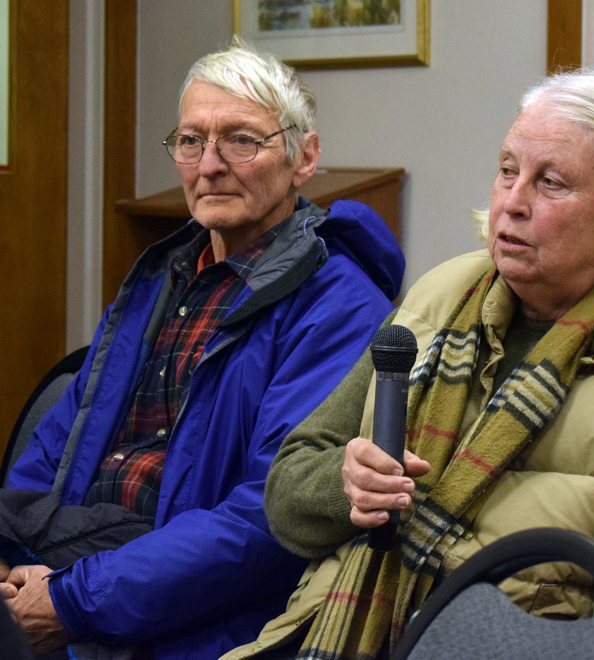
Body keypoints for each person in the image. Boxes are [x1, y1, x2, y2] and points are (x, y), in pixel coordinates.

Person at [221, 70, 594, 660]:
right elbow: (285, 495)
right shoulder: (440, 296)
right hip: (337, 631)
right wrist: (348, 484)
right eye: (508, 171)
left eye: (551, 183)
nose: (513, 202)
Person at [0, 39, 403, 660]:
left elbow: (266, 521)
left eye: (242, 139)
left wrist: (74, 603)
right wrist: (16, 563)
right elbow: (59, 440)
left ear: (305, 157)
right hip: (71, 576)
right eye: (191, 140)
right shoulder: (161, 277)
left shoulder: (340, 304)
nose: (210, 163)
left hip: (188, 619)